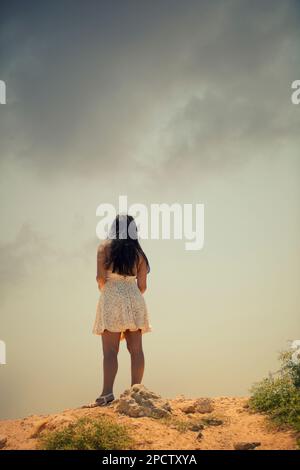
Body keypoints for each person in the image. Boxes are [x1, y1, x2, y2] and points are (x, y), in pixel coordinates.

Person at [89, 214, 151, 407]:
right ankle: (136, 390)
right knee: (136, 349)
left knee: (110, 351)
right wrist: (130, 292)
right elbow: (142, 286)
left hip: (111, 296)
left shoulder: (104, 248)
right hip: (134, 296)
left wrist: (108, 290)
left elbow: (100, 278)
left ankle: (107, 393)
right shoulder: (139, 253)